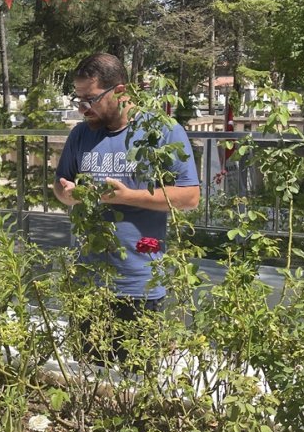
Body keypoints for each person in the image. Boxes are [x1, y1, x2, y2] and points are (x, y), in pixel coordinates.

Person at [54, 52, 200, 362]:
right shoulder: (81, 134)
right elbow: (61, 185)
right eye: (78, 99)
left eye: (90, 99)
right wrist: (69, 196)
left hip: (138, 283)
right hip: (86, 281)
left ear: (120, 91)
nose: (83, 108)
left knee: (134, 386)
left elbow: (189, 197)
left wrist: (125, 197)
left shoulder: (160, 131)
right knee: (86, 379)